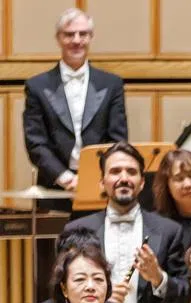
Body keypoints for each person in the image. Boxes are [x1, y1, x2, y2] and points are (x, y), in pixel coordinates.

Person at [60, 141, 191, 303]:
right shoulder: (76, 231)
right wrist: (101, 296)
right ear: (102, 181)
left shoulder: (169, 231)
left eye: (131, 172)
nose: (124, 178)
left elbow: (185, 296)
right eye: (115, 172)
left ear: (142, 182)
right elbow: (61, 291)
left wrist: (159, 278)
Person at [22, 8, 127, 191]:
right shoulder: (36, 86)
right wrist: (66, 179)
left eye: (83, 34)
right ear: (58, 39)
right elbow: (36, 143)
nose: (77, 40)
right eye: (69, 35)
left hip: (100, 184)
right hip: (54, 186)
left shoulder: (112, 84)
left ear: (91, 37)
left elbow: (117, 140)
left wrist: (92, 177)